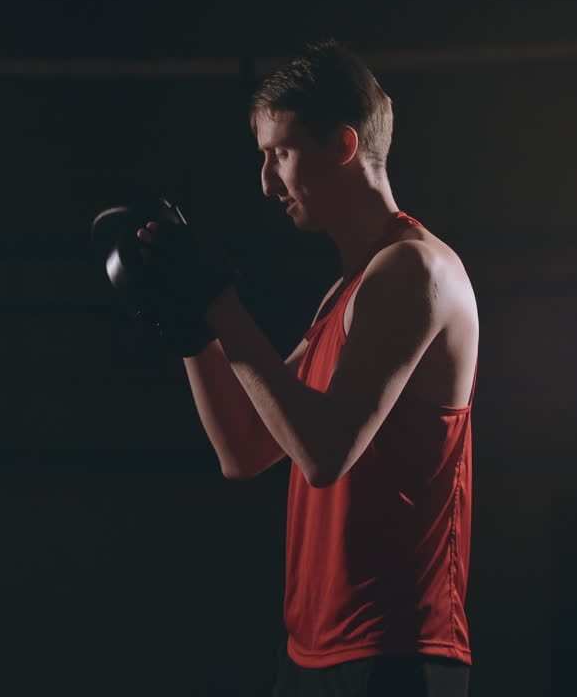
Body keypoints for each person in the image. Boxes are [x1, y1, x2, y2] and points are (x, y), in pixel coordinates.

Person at [121, 40, 478, 696]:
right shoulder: (349, 290)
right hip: (313, 650)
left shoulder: (415, 269)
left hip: (395, 651)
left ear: (342, 145)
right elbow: (245, 449)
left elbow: (323, 454)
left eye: (279, 154)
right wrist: (192, 328)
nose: (266, 182)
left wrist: (219, 303)